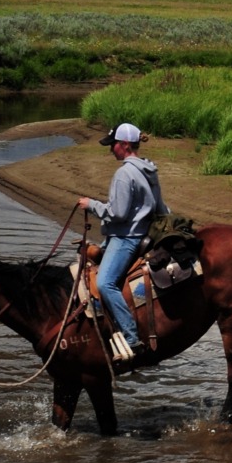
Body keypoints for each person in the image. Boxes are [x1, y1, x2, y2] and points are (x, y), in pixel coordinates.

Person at [78, 123, 167, 359]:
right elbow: (161, 208)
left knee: (105, 282)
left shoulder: (124, 173)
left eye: (113, 145)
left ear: (125, 145)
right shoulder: (149, 169)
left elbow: (117, 213)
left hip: (126, 237)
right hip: (141, 232)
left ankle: (131, 336)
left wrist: (91, 205)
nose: (111, 150)